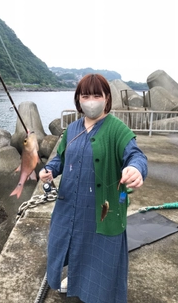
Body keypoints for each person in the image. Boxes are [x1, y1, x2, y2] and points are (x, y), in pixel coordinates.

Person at [39, 74, 147, 303]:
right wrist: (49, 169)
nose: (90, 100)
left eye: (96, 95)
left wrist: (136, 170)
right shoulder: (72, 129)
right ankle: (75, 280)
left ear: (107, 98)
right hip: (69, 205)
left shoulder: (117, 129)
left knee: (99, 255)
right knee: (69, 244)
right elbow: (60, 158)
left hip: (101, 209)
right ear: (78, 99)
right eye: (85, 95)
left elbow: (136, 156)